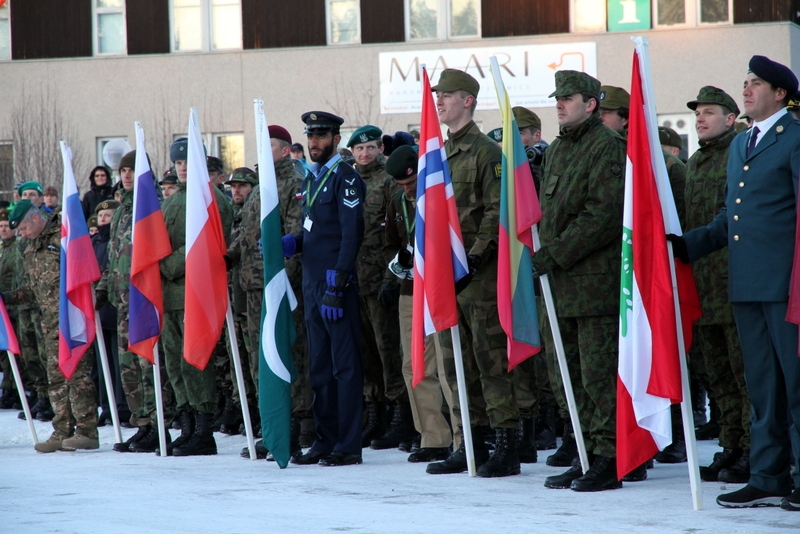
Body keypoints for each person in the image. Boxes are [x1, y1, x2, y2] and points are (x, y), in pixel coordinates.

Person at [671, 55, 800, 510]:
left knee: (796, 382)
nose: (746, 89)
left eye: (756, 83)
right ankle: (769, 475)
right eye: (744, 82)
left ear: (780, 93)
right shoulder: (743, 145)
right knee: (762, 385)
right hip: (746, 283)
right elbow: (732, 217)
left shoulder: (795, 138)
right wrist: (687, 245)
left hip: (787, 285)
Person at [425, 69, 520, 478]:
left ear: (468, 100)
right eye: (438, 96)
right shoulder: (439, 153)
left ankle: (506, 445)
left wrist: (474, 260)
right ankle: (471, 443)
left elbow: (497, 215)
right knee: (454, 363)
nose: (440, 102)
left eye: (447, 95)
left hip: (476, 279)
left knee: (489, 362)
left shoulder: (485, 152)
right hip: (448, 278)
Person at [535, 70, 626, 492]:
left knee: (597, 375)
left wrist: (552, 254)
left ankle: (611, 457)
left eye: (567, 98)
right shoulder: (557, 149)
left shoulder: (606, 147)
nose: (559, 104)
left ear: (590, 104)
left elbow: (602, 216)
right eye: (557, 98)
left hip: (594, 284)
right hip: (563, 284)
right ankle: (587, 452)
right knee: (569, 375)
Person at [284, 111, 366, 467]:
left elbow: (351, 233)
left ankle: (347, 445)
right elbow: (318, 229)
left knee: (344, 367)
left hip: (335, 285)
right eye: (310, 135)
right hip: (313, 283)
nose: (314, 142)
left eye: (321, 136)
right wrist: (294, 243)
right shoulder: (313, 178)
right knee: (319, 366)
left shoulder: (345, 177)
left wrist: (340, 280)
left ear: (336, 139)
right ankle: (325, 439)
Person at [682, 86, 751, 483]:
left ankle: (752, 449)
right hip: (702, 287)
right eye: (697, 114)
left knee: (744, 375)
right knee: (717, 375)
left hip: (732, 283)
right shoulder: (694, 162)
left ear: (730, 118)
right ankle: (731, 444)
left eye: (710, 112)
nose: (701, 119)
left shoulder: (738, 154)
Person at [6, 200, 99, 452]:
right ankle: (62, 431)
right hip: (48, 325)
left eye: (24, 228)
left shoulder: (64, 237)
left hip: (74, 318)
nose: (22, 234)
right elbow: (33, 290)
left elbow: (87, 271)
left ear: (36, 219)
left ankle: (87, 431)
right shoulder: (30, 247)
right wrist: (6, 297)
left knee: (78, 375)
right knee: (56, 378)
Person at [160, 137, 233, 456]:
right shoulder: (175, 199)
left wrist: (166, 263)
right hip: (170, 295)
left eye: (188, 162)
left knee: (196, 362)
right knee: (176, 364)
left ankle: (204, 431)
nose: (183, 168)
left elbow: (207, 247)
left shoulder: (212, 200)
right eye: (178, 164)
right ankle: (187, 425)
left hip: (195, 292)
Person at [98, 150, 171, 453]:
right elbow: (114, 257)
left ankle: (159, 426)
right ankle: (142, 424)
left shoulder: (154, 207)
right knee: (128, 369)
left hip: (144, 300)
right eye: (122, 171)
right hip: (121, 303)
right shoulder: (121, 211)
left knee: (148, 366)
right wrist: (101, 290)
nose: (126, 176)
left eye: (131, 171)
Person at [383, 144, 453, 463]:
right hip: (411, 290)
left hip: (441, 288)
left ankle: (465, 435)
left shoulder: (440, 193)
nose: (408, 190)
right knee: (414, 364)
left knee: (447, 362)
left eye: (411, 184)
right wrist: (394, 268)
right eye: (402, 186)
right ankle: (433, 437)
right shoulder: (398, 201)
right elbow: (392, 242)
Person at [345, 125, 411, 450]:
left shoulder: (390, 182)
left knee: (389, 350)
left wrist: (391, 278)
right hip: (353, 280)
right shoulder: (347, 181)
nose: (365, 154)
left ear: (380, 149)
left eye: (370, 148)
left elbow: (397, 236)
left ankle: (401, 416)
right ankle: (375, 413)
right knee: (366, 352)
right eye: (359, 150)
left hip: (381, 281)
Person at [91, 199, 129, 429]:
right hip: (97, 310)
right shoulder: (93, 242)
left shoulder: (117, 241)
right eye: (101, 217)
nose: (104, 220)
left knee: (118, 361)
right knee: (102, 361)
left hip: (115, 307)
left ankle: (122, 407)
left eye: (108, 216)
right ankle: (106, 407)